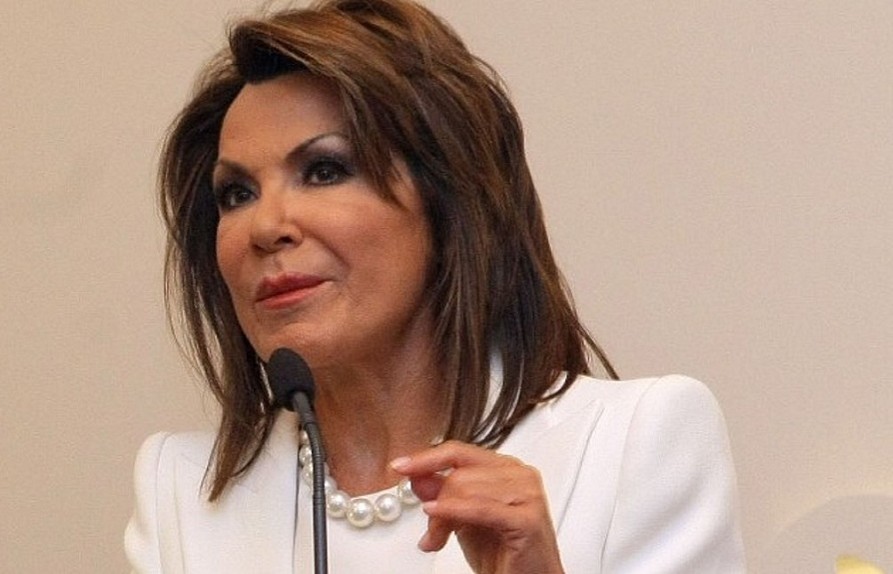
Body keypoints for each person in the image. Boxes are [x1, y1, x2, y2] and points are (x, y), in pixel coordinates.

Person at [125, 0, 745, 572]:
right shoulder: (179, 488)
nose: (265, 227)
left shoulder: (635, 442)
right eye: (237, 194)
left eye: (325, 170)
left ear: (449, 204)